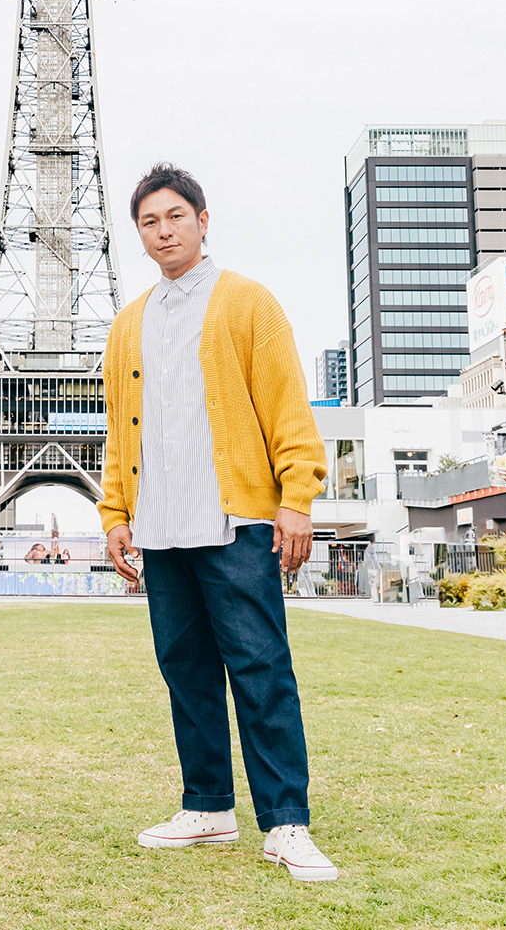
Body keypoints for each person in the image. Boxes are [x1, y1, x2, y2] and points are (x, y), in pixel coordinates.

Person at [98, 163, 337, 883]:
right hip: (160, 526)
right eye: (149, 222)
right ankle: (207, 805)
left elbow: (287, 405)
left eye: (176, 216)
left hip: (237, 521)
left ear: (203, 220)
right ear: (138, 234)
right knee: (186, 671)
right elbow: (120, 430)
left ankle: (286, 820)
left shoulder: (248, 302)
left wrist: (297, 496)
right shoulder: (128, 323)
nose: (164, 231)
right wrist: (116, 511)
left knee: (261, 668)